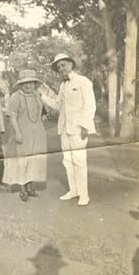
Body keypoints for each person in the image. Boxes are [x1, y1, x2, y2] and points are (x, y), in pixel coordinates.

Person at [40, 53, 96, 206]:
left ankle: (84, 195)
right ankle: (74, 190)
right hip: (64, 129)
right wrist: (43, 97)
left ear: (71, 64)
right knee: (68, 161)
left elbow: (90, 105)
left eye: (63, 65)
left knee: (79, 161)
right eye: (58, 67)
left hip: (78, 129)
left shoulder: (83, 81)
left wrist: (85, 125)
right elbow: (58, 105)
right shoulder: (63, 85)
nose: (61, 69)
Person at [3, 70, 47, 202]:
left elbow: (42, 111)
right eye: (25, 83)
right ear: (21, 85)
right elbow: (12, 116)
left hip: (37, 132)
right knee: (22, 161)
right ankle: (22, 188)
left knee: (34, 159)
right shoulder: (15, 97)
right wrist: (17, 133)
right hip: (22, 132)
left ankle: (30, 186)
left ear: (34, 84)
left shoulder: (37, 95)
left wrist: (44, 116)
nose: (28, 86)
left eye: (31, 83)